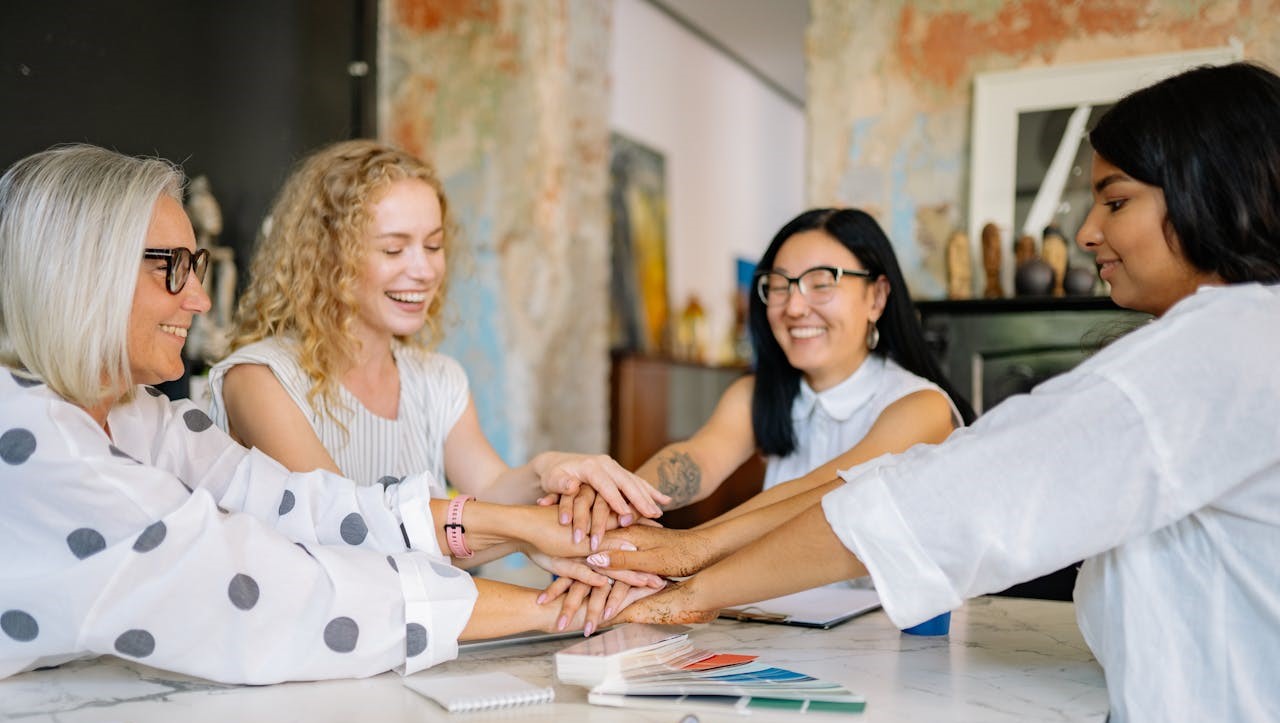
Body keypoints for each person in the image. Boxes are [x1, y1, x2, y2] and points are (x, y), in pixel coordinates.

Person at [607, 62, 1280, 721]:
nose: (1084, 233)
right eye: (778, 286)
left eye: (1116, 200)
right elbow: (696, 470)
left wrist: (694, 572)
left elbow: (923, 500)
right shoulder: (1239, 339)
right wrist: (614, 512)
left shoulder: (1218, 350)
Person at [0, 145, 647, 684]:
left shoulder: (142, 417)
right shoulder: (39, 441)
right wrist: (559, 603)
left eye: (195, 266)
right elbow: (278, 585)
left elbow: (311, 505)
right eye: (171, 267)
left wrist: (534, 519)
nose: (199, 299)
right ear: (79, 273)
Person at [206, 140, 667, 556]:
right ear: (326, 258)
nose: (424, 271)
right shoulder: (259, 380)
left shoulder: (439, 379)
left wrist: (548, 472)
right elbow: (352, 533)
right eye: (394, 249)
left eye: (433, 245)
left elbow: (490, 489)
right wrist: (529, 533)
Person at [629, 208, 973, 517]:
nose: (793, 308)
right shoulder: (757, 394)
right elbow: (699, 459)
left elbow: (814, 498)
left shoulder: (921, 406)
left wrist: (683, 550)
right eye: (780, 286)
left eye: (821, 283)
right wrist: (621, 499)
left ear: (877, 297)